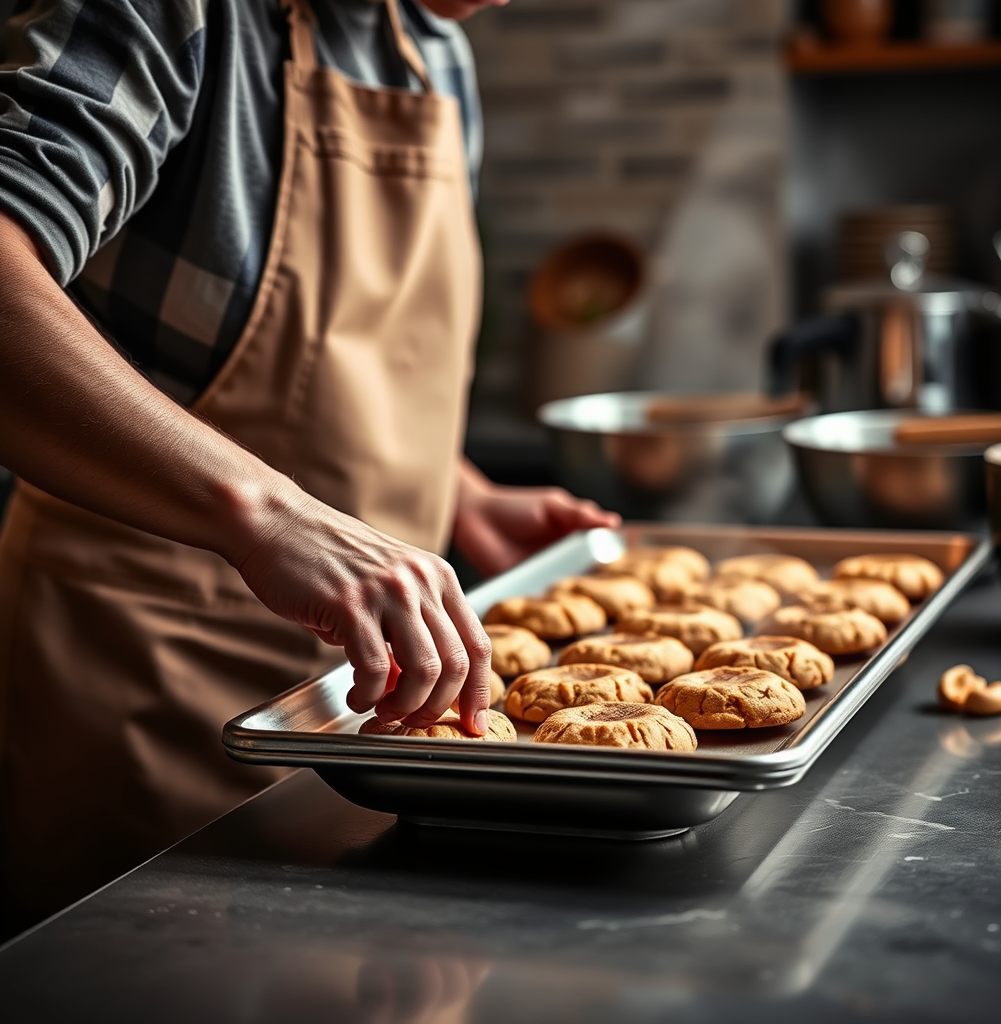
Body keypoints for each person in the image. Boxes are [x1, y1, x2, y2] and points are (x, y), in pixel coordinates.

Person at [0, 0, 618, 923]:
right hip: (146, 682)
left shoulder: (433, 48)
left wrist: (461, 495)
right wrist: (270, 517)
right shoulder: (175, 17)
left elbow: (345, 358)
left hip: (384, 713)